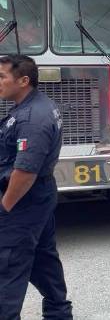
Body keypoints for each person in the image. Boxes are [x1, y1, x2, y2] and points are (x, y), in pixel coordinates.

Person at [0, 55, 73, 318]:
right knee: (43, 260)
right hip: (37, 198)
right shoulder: (35, 106)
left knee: (7, 268)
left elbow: (25, 173)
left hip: (23, 201)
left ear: (23, 81)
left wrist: (4, 209)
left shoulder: (32, 118)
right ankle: (58, 313)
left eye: (1, 77)